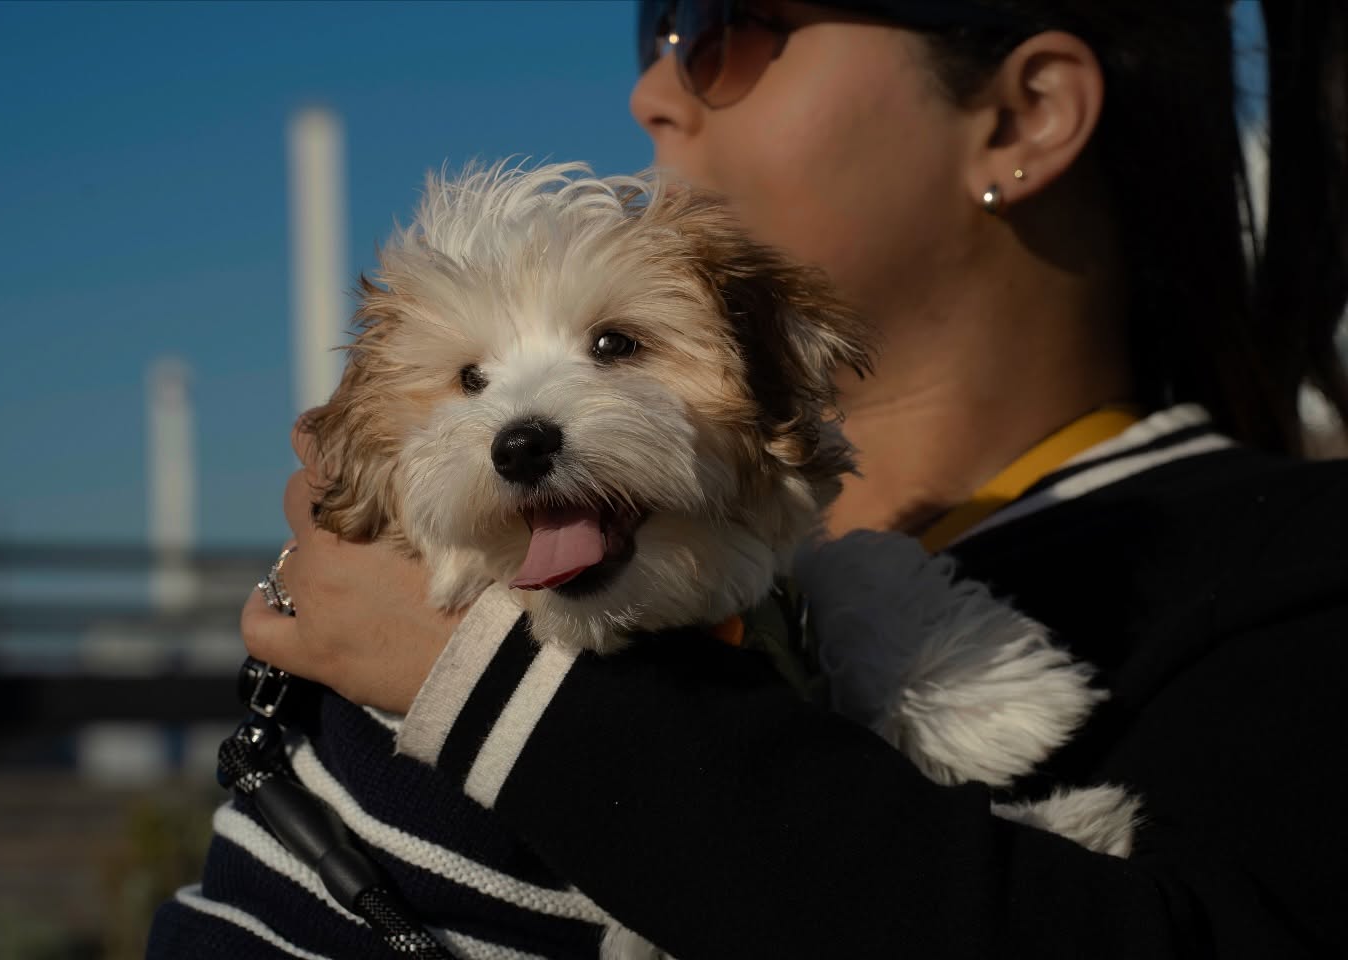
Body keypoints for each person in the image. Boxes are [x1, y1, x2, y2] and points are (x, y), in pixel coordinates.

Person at [149, 0, 1348, 956]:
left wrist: (501, 692)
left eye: (728, 26)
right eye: (650, 35)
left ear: (1023, 114)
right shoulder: (753, 578)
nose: (651, 88)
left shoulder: (1287, 570)